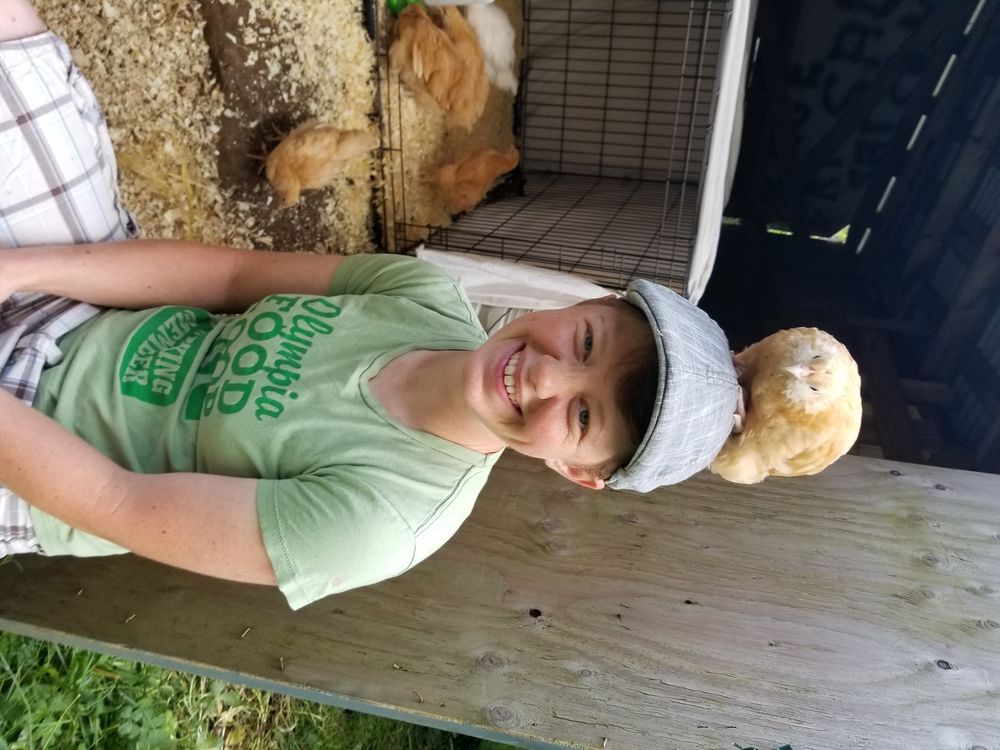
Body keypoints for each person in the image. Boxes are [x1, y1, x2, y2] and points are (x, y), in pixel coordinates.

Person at [0, 0, 740, 609]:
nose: (547, 376)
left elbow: (116, 502)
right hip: (83, 311)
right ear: (588, 300)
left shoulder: (382, 521)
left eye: (583, 417)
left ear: (579, 472)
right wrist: (20, 269)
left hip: (40, 459)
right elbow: (229, 277)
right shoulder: (423, 295)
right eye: (585, 342)